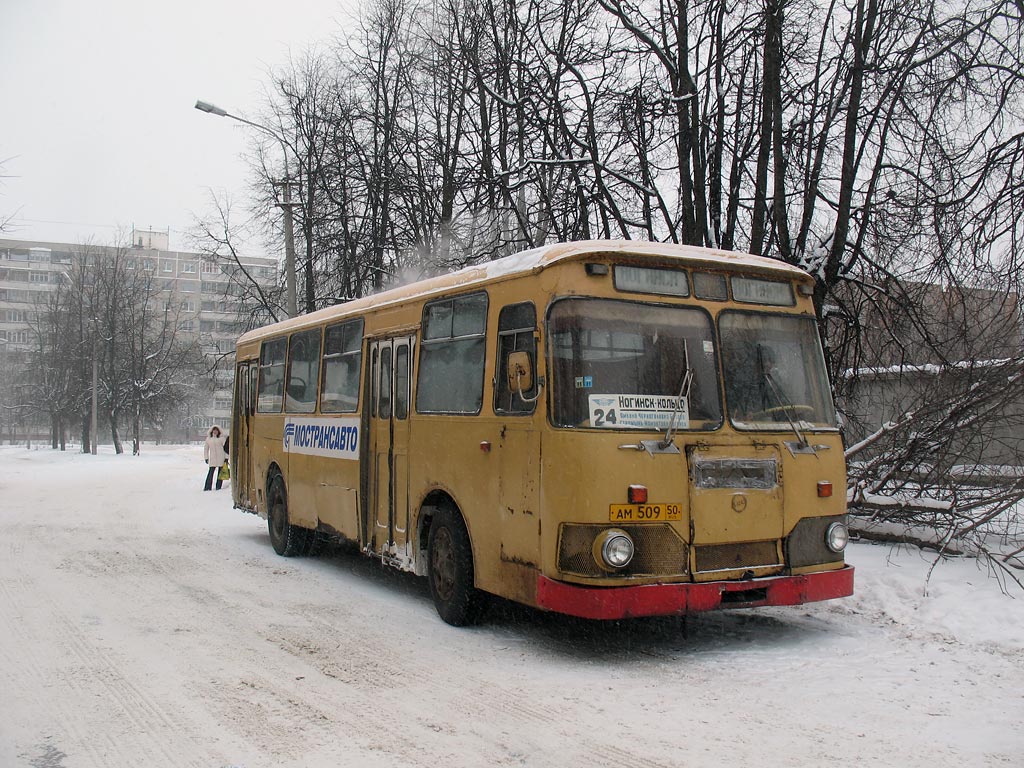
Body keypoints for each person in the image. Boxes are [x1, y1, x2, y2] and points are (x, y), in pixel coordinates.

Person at [203, 426, 228, 491]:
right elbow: (206, 449)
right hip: (212, 458)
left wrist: (226, 458)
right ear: (211, 431)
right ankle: (207, 487)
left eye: (216, 430)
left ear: (219, 431)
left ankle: (218, 487)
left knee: (220, 474)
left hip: (221, 458)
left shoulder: (222, 439)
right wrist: (206, 457)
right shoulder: (208, 439)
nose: (215, 431)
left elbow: (226, 449)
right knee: (210, 473)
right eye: (214, 430)